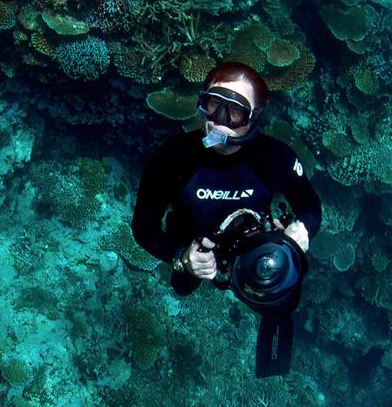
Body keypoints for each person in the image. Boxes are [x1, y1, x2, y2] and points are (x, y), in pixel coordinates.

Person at [131, 61, 322, 297]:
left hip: (253, 251)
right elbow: (143, 228)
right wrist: (181, 257)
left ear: (254, 117)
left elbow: (309, 205)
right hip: (191, 244)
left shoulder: (276, 158)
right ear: (202, 102)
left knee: (275, 297)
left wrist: (303, 229)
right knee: (183, 286)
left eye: (236, 110)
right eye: (214, 103)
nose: (220, 119)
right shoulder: (169, 158)